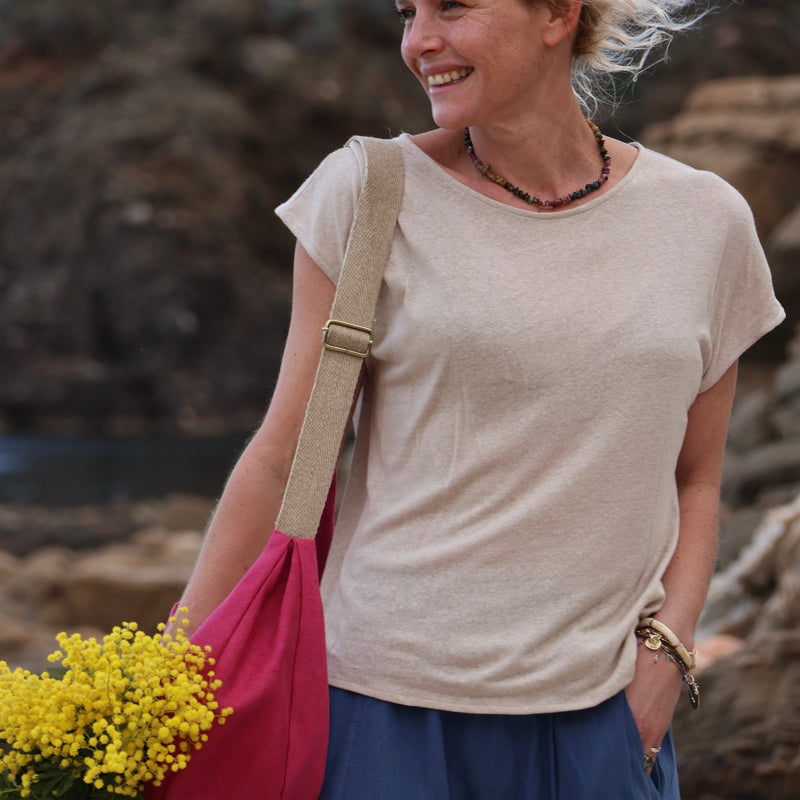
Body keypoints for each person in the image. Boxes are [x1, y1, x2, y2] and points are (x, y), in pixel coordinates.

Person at [177, 1, 785, 797]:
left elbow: (696, 477)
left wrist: (668, 653)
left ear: (557, 14)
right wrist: (158, 680)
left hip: (603, 720)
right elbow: (282, 458)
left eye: (454, 6)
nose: (419, 41)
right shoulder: (369, 192)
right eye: (408, 12)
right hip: (385, 715)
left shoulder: (706, 221)